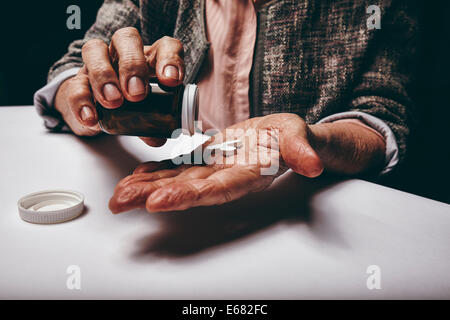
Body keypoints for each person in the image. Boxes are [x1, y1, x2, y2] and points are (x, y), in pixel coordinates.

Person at [34, 0, 417, 213]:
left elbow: (381, 115)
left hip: (296, 214)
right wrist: (84, 96)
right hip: (176, 218)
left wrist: (314, 140)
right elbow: (74, 65)